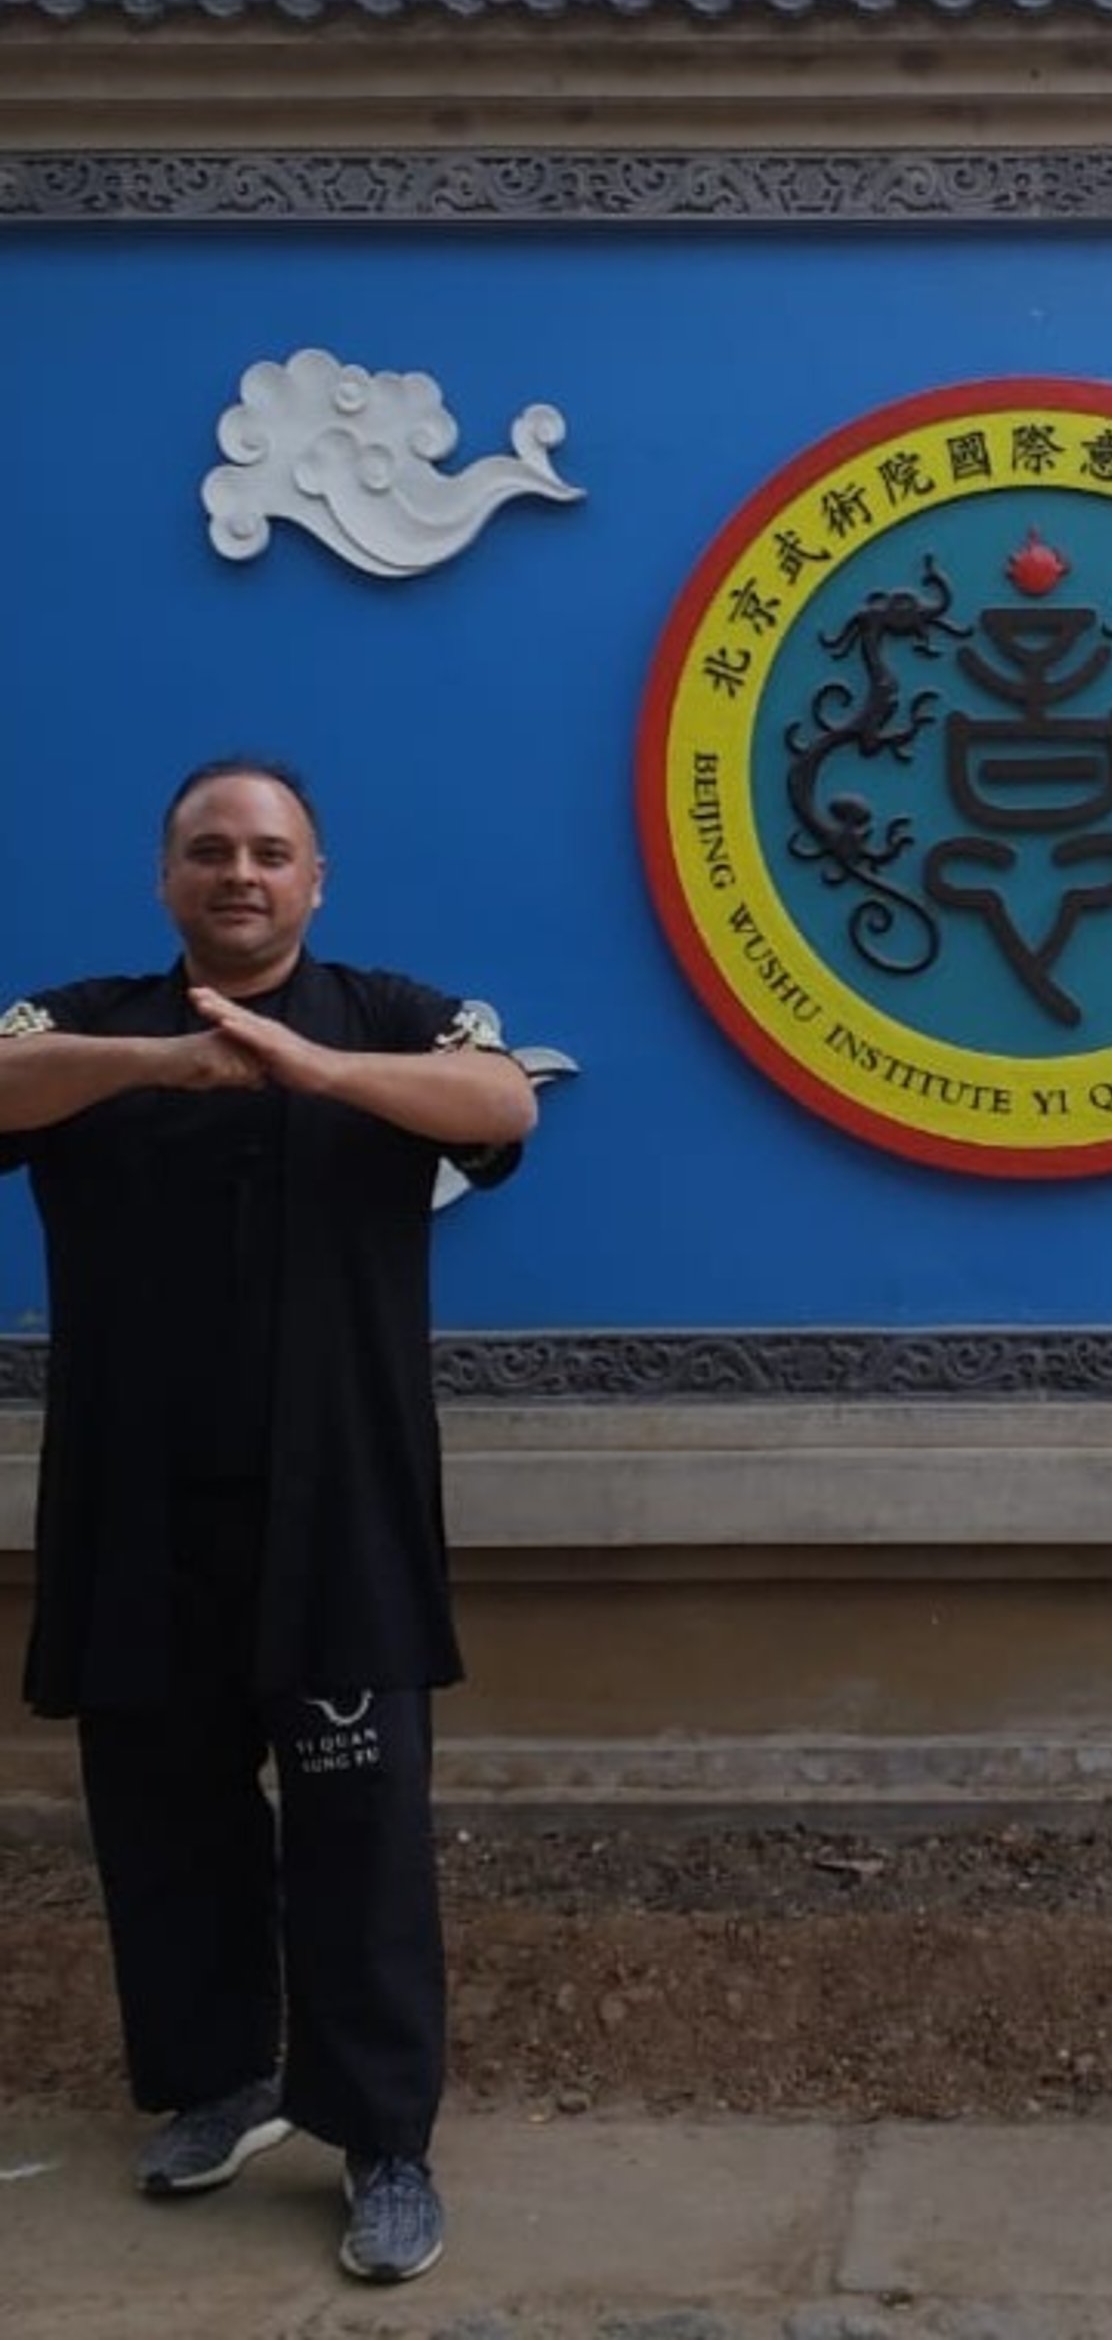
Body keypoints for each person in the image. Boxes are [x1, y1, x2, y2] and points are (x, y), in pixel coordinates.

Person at [0, 759, 536, 2285]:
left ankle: (381, 2138)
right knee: (164, 1823)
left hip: (339, 1507)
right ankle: (219, 2085)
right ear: (166, 877)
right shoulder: (83, 1022)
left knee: (361, 1835)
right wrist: (163, 1063)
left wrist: (317, 1070)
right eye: (210, 850)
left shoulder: (392, 1015)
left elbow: (502, 1106)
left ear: (316, 880)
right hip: (138, 1508)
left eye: (270, 852)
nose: (240, 873)